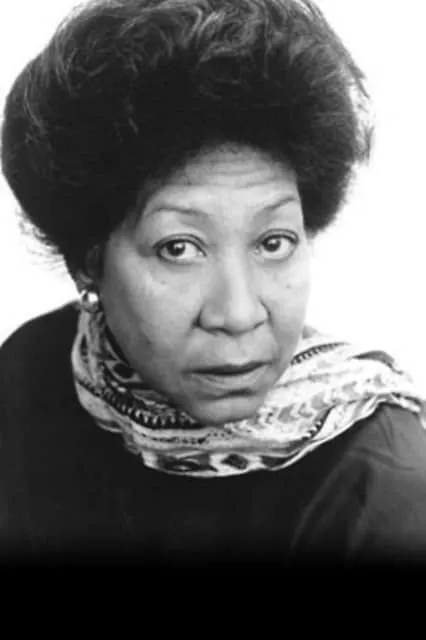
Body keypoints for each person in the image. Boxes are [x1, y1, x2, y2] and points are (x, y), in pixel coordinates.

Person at [0, 0, 425, 568]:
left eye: (273, 242)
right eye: (179, 248)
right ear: (88, 262)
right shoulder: (29, 379)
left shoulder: (379, 489)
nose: (238, 313)